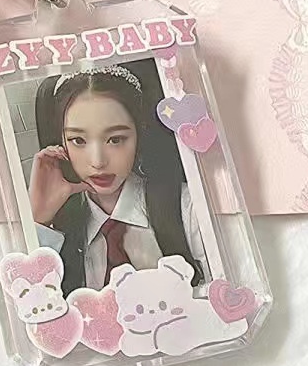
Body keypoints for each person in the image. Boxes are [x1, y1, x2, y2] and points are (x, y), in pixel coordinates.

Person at [29, 62, 207, 296]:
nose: (98, 161)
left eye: (115, 139)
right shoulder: (59, 227)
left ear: (139, 133)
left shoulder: (189, 208)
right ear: (61, 142)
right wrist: (39, 221)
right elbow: (32, 306)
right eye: (78, 141)